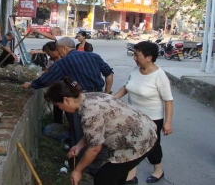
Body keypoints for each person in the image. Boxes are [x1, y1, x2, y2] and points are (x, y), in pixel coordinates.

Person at [22, 37, 114, 175]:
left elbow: (47, 79)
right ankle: (100, 162)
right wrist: (107, 92)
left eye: (59, 50)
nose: (58, 54)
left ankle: (82, 165)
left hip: (79, 100)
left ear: (64, 48)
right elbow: (109, 73)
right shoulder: (94, 56)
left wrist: (32, 84)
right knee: (98, 131)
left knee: (78, 132)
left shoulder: (64, 62)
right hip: (99, 98)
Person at [44, 77, 158, 185]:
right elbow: (95, 131)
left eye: (58, 106)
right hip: (146, 130)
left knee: (103, 178)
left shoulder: (89, 114)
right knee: (116, 175)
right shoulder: (89, 97)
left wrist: (78, 170)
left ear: (66, 100)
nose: (61, 109)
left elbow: (94, 149)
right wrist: (78, 146)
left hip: (140, 141)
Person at [114, 41, 173, 184]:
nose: (134, 57)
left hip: (152, 118)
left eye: (137, 55)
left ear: (149, 57)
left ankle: (158, 170)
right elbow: (126, 87)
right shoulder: (135, 70)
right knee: (131, 142)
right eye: (134, 54)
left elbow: (168, 100)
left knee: (152, 146)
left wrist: (168, 122)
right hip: (133, 115)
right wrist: (111, 99)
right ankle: (131, 172)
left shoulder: (160, 76)